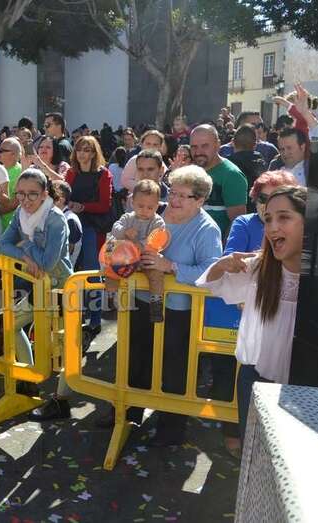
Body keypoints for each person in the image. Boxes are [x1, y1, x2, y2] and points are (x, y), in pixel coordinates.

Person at [97, 166, 221, 445]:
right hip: (141, 302)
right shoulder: (155, 212)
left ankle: (171, 427)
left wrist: (171, 266)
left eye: (183, 196)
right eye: (173, 192)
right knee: (135, 359)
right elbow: (120, 236)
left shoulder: (207, 228)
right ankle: (127, 411)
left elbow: (213, 272)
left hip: (179, 311)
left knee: (174, 369)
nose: (173, 200)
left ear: (200, 200)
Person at [197, 186, 306, 444]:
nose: (272, 227)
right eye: (268, 219)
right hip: (255, 380)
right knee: (255, 453)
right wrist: (223, 264)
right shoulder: (258, 268)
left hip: (306, 386)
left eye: (284, 217)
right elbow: (212, 284)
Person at [0, 169, 71, 368]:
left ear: (44, 194)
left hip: (62, 288)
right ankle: (29, 378)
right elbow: (3, 244)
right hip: (39, 285)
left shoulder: (56, 219)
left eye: (32, 193)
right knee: (9, 323)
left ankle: (61, 396)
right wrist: (24, 256)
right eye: (20, 193)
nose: (25, 199)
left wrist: (26, 244)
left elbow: (48, 263)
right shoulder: (19, 213)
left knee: (65, 346)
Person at [65, 136, 113, 335]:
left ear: (94, 153)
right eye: (79, 150)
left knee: (91, 272)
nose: (83, 154)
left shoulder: (104, 174)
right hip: (72, 226)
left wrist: (83, 207)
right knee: (72, 270)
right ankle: (75, 314)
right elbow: (64, 196)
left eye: (87, 150)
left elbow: (105, 204)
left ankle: (94, 318)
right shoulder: (71, 173)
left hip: (94, 226)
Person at [105, 179, 167, 322]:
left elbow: (157, 238)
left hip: (147, 257)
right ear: (132, 202)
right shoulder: (128, 217)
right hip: (127, 258)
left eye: (150, 207)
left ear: (157, 206)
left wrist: (140, 243)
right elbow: (115, 228)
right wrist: (125, 232)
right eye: (141, 206)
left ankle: (156, 303)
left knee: (157, 275)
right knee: (112, 269)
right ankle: (110, 298)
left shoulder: (158, 221)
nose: (145, 210)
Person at [191, 125, 248, 237]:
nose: (198, 152)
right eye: (194, 147)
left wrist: (222, 250)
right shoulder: (191, 170)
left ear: (218, 145)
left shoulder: (231, 175)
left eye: (204, 146)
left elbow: (236, 223)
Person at [224, 170, 297, 255]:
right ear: (256, 198)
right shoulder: (244, 223)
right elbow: (230, 262)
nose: (267, 205)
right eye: (263, 198)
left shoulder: (297, 225)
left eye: (275, 199)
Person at [227, 124, 267, 208]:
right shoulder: (262, 163)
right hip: (258, 210)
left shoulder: (227, 165)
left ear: (233, 142)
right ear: (255, 145)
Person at [52, 180, 83, 269]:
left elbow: (67, 253)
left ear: (60, 200)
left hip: (62, 275)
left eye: (50, 196)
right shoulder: (55, 216)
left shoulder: (70, 220)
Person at [0, 137, 24, 231]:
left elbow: (16, 202)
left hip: (13, 227)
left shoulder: (22, 171)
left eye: (2, 150)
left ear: (13, 154)